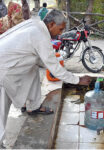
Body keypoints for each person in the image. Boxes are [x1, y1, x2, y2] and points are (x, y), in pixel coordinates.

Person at [0, 9, 91, 144]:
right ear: (51, 24)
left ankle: (33, 106)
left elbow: (43, 62)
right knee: (1, 111)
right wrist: (78, 80)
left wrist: (54, 66)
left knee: (32, 69)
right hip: (3, 69)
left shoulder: (36, 24)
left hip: (8, 63)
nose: (60, 34)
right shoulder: (40, 35)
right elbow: (54, 68)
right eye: (60, 29)